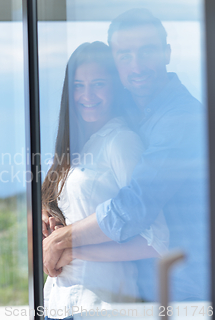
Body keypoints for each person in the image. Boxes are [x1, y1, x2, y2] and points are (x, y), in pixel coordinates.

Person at [42, 8, 207, 303]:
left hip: (187, 293)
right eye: (125, 55)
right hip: (144, 293)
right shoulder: (134, 109)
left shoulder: (180, 119)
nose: (137, 66)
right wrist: (48, 202)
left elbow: (134, 205)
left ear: (167, 53)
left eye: (147, 52)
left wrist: (64, 240)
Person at [41, 41, 168, 320]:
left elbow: (157, 241)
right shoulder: (77, 148)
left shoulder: (122, 142)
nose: (87, 95)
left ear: (115, 87)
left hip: (102, 305)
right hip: (60, 302)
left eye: (98, 84)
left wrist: (73, 249)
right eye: (78, 85)